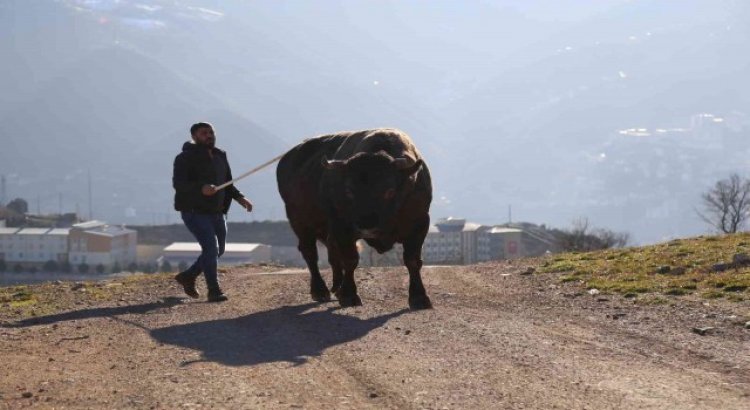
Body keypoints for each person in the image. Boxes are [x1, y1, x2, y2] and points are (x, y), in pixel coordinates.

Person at [172, 122, 253, 302]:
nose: (209, 135)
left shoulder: (220, 156)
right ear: (194, 137)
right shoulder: (184, 158)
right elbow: (179, 185)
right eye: (204, 133)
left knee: (218, 250)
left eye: (211, 132)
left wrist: (240, 198)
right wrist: (201, 188)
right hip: (194, 212)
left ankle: (188, 276)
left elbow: (228, 183)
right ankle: (214, 290)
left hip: (217, 212)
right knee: (211, 248)